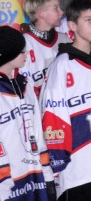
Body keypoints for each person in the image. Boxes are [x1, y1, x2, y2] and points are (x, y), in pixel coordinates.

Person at [40, 0, 91, 200]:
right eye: (88, 20)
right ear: (73, 25)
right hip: (77, 160)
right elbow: (52, 112)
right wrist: (58, 155)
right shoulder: (62, 64)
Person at [0, 26, 53, 201]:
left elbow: (37, 129)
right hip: (8, 180)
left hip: (33, 174)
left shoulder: (26, 83)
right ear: (8, 54)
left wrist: (47, 174)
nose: (26, 54)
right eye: (22, 51)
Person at [19, 0, 71, 98]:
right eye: (56, 8)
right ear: (41, 13)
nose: (61, 12)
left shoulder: (65, 39)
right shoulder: (23, 43)